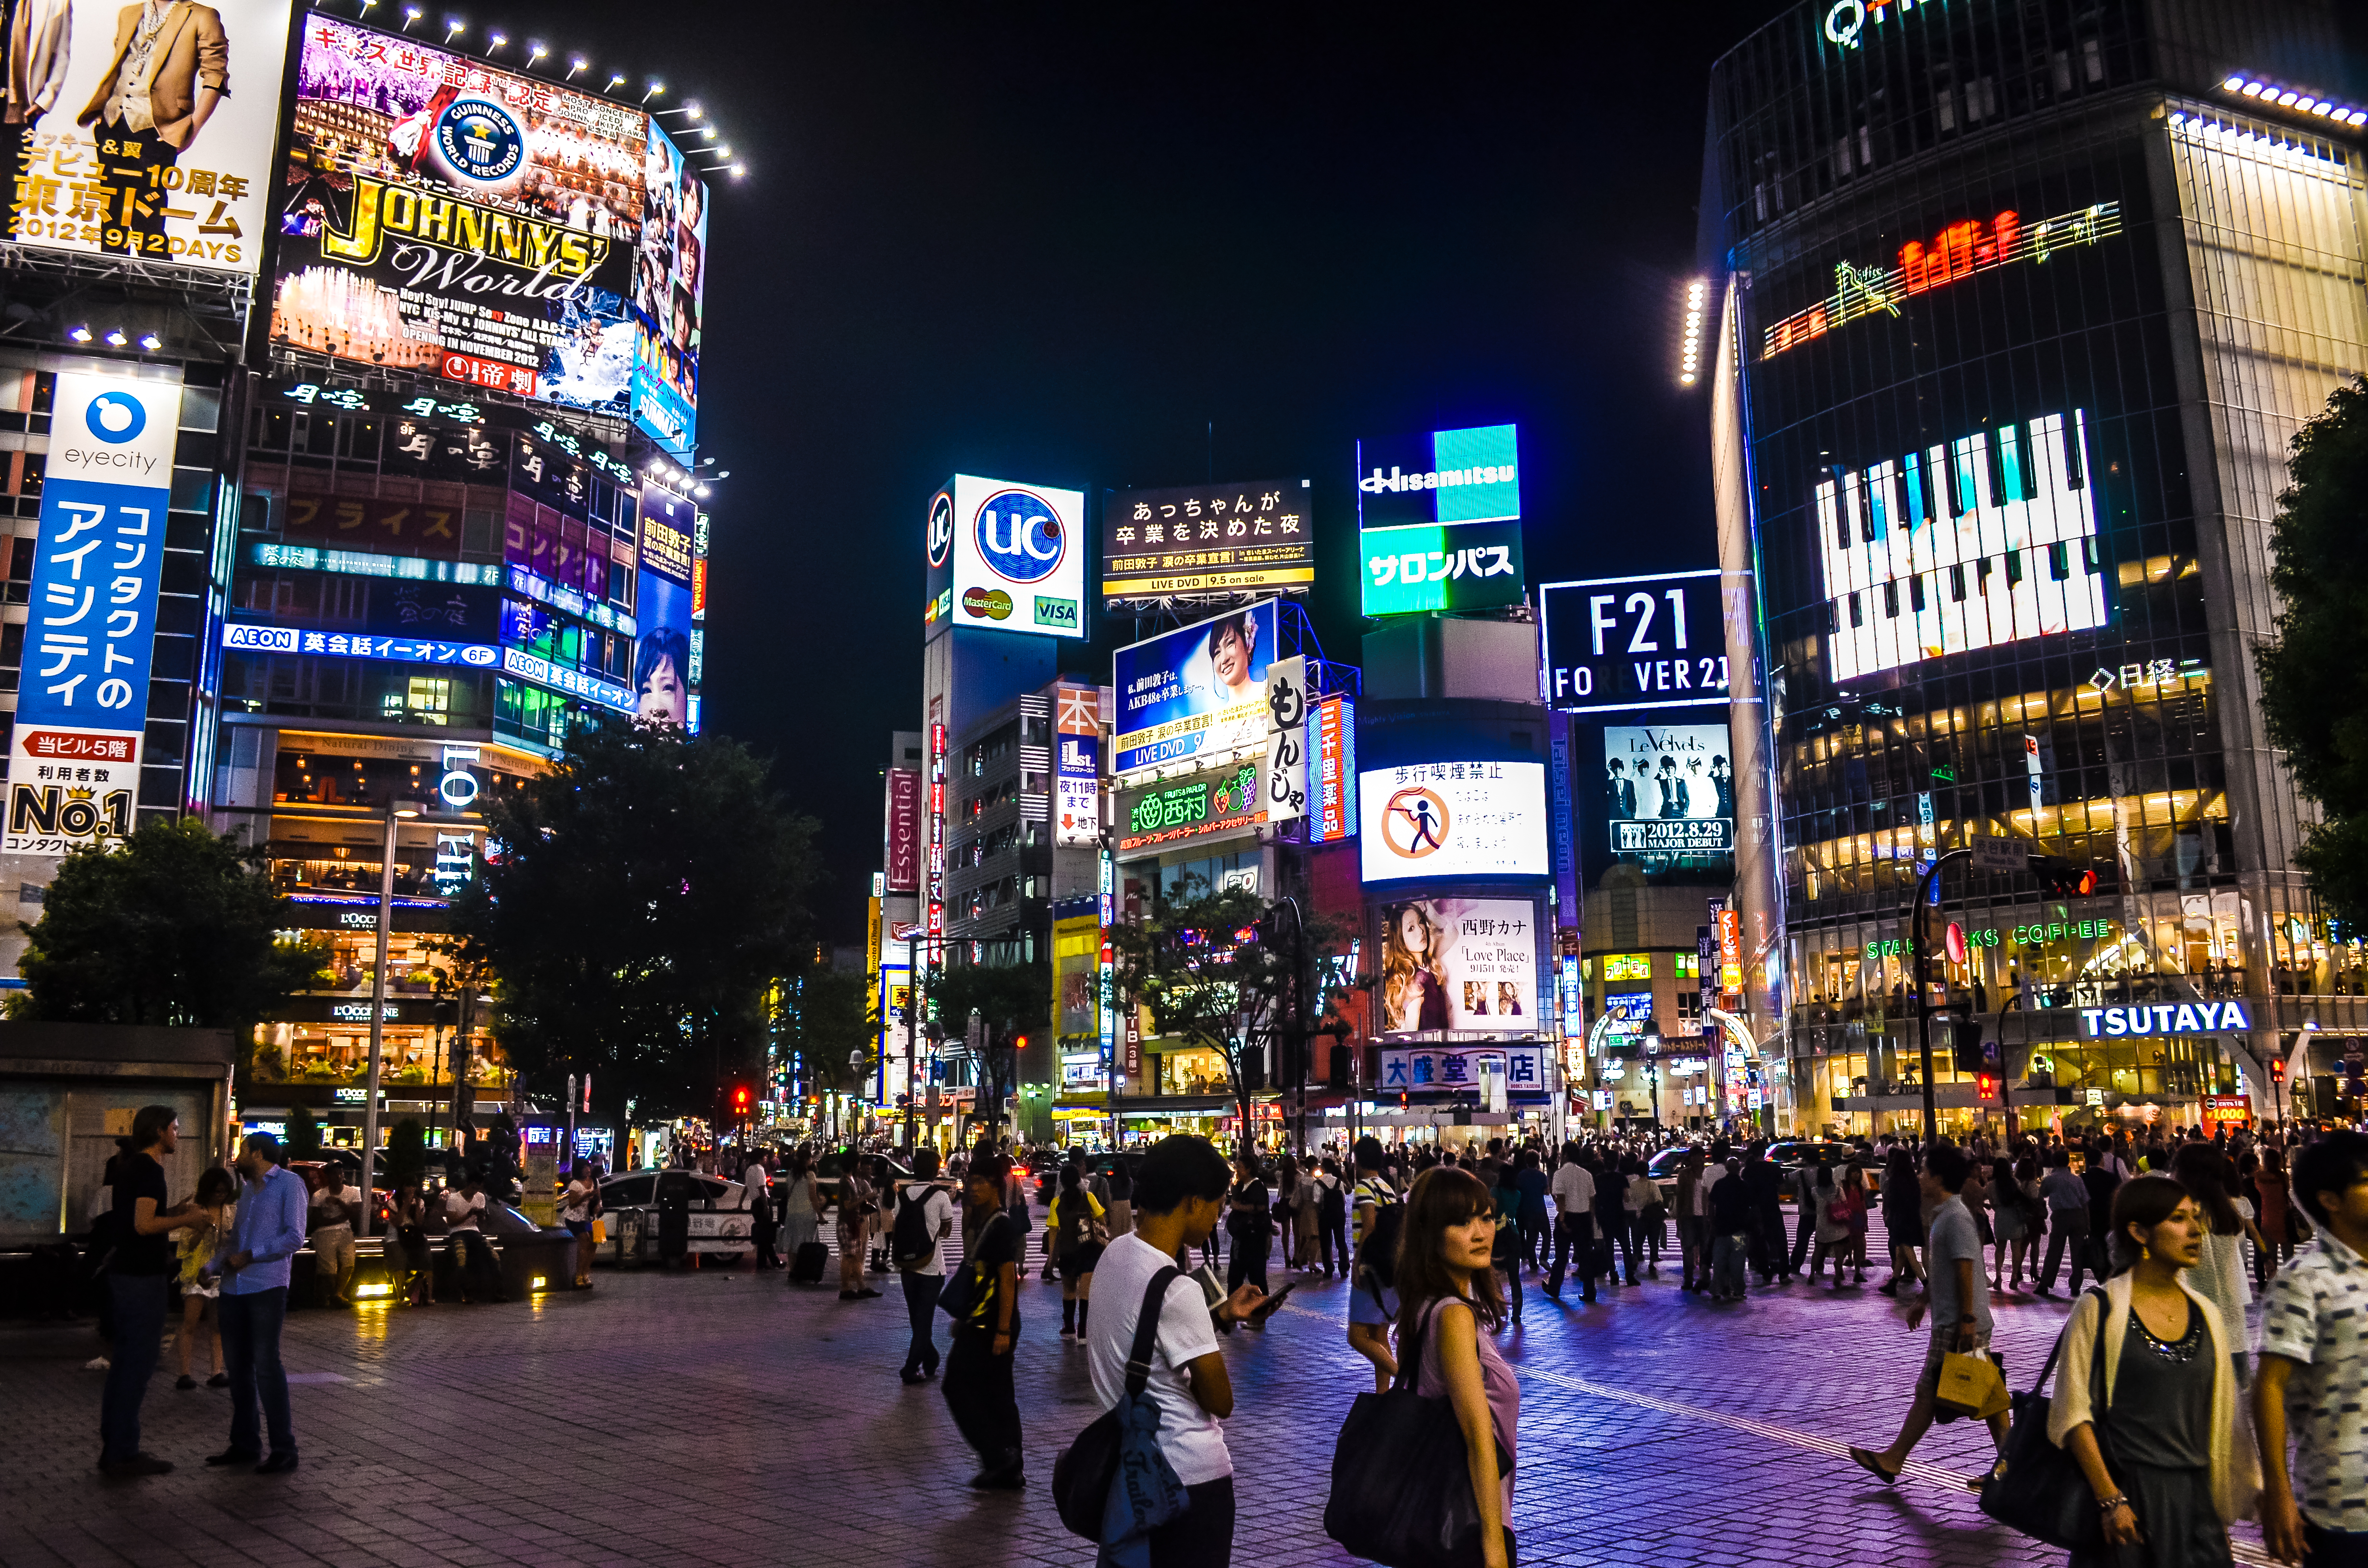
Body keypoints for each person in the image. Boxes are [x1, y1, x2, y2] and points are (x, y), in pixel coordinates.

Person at [2050, 1174, 2257, 1568]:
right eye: (2179, 1219)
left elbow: (2223, 1416)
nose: (2196, 1230)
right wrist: (2110, 1499)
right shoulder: (2100, 1309)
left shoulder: (2206, 1314)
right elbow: (2073, 1413)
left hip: (2197, 1502)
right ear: (2139, 1232)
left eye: (2195, 1218)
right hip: (2128, 1502)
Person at [1085, 1134, 1270, 1566]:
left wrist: (1221, 1318)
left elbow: (1146, 1333)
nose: (1218, 1215)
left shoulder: (1115, 1254)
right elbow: (1220, 1401)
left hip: (1131, 1474)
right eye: (1217, 1203)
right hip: (1189, 1480)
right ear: (1192, 1202)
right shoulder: (1178, 1289)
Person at [1848, 1145, 2007, 1484]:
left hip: (1959, 1322)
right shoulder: (1945, 1214)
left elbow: (1966, 1268)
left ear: (1937, 1177)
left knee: (1931, 1391)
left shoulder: (1955, 1217)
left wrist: (1966, 1320)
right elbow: (1945, 1269)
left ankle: (1893, 1459)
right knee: (1989, 1396)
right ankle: (2011, 1467)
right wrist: (1924, 1300)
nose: (1919, 1177)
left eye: (1924, 1171)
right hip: (1958, 1318)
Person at [2254, 1129, 2368, 1566]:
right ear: (2330, 1200)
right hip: (2344, 1507)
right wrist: (2278, 1492)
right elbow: (2270, 1387)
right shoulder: (2304, 1280)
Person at [1395, 1166, 1518, 1568]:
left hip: (1444, 1518)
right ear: (1431, 1233)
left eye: (1485, 1217)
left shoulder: (1431, 1305)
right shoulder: (1453, 1317)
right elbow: (1478, 1439)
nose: (1481, 1232)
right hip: (1467, 1528)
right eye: (1462, 1222)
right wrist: (1495, 1547)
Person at [74, 0, 231, 257]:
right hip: (114, 124)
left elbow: (215, 76)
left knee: (149, 217)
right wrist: (104, 113)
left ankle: (154, 290)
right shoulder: (130, 13)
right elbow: (124, 65)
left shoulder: (203, 16)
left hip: (160, 130)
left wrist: (194, 126)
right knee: (112, 214)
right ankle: (107, 286)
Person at [97, 1106, 198, 1476]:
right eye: (174, 1128)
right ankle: (122, 1452)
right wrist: (186, 1220)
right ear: (158, 1132)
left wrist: (174, 1209)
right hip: (140, 1279)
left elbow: (139, 1217)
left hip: (127, 1275)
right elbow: (143, 1225)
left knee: (126, 1363)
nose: (178, 1134)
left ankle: (117, 1446)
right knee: (137, 1365)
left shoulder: (133, 1168)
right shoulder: (149, 1170)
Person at [210, 1132, 309, 1475]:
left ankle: (284, 1448)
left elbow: (295, 1236)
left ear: (256, 1152)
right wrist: (210, 1267)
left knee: (267, 1365)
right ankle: (245, 1442)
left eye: (241, 1150)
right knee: (238, 1369)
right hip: (234, 1288)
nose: (236, 1156)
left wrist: (252, 1256)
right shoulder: (248, 1192)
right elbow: (235, 1240)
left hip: (267, 1286)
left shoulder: (290, 1184)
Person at [943, 1156, 1024, 1489]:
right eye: (969, 1181)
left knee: (960, 1386)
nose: (972, 1188)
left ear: (995, 1185)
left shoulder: (1001, 1225)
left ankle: (1000, 1457)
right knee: (996, 1392)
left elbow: (1008, 1279)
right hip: (981, 1322)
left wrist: (1003, 1329)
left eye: (980, 1182)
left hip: (993, 1326)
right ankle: (1007, 1464)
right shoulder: (989, 1220)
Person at [2172, 1143, 2263, 1383]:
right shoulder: (2225, 1210)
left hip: (2197, 1315)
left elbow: (2198, 1272)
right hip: (2230, 1306)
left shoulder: (2189, 1214)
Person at [892, 1149, 955, 1385]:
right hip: (932, 1266)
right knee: (924, 1320)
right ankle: (910, 1368)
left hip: (907, 1265)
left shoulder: (903, 1195)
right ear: (935, 1170)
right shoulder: (941, 1196)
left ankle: (930, 1358)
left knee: (917, 1319)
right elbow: (947, 1233)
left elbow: (895, 1225)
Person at [171, 1166, 235, 1390]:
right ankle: (184, 1373)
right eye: (216, 1191)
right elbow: (186, 1247)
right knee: (190, 1323)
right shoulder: (197, 1212)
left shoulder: (230, 1212)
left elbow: (233, 1242)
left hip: (221, 1274)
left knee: (217, 1325)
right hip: (196, 1274)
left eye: (224, 1192)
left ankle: (217, 1371)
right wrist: (201, 1229)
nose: (220, 1196)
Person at [1047, 1164, 1107, 1340]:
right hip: (1088, 1250)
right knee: (1086, 1293)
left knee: (1069, 1291)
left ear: (1062, 1183)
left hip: (1067, 1251)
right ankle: (1083, 1332)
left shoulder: (1056, 1203)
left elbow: (1053, 1231)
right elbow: (1102, 1219)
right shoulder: (1089, 1198)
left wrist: (1051, 1259)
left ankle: (1069, 1328)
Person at [2037, 1145, 2093, 1297]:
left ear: (2054, 1163)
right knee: (2077, 1252)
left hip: (2060, 1217)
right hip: (2078, 1216)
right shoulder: (2077, 1180)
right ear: (2068, 1162)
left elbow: (2041, 1194)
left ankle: (2045, 1283)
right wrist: (2088, 1223)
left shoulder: (2050, 1179)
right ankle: (2076, 1285)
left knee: (2054, 1251)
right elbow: (2085, 1203)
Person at [1545, 1139, 1595, 1302]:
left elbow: (1561, 1198)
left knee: (1562, 1256)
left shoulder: (1560, 1174)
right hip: (1585, 1217)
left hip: (1568, 1216)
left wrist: (1562, 1219)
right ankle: (1590, 1291)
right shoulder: (1586, 1174)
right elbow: (1592, 1199)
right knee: (1586, 1256)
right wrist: (1592, 1219)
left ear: (1566, 1155)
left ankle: (1554, 1288)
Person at [443, 1173, 502, 1303]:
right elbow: (451, 1222)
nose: (475, 1192)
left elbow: (481, 1223)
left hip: (474, 1231)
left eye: (479, 1189)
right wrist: (469, 1214)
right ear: (468, 1185)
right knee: (461, 1259)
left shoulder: (480, 1197)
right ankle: (466, 1293)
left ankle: (496, 1292)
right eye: (474, 1188)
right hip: (457, 1232)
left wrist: (481, 1217)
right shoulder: (454, 1198)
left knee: (494, 1256)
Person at [307, 1164, 358, 1309]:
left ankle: (337, 1295)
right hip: (324, 1232)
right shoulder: (319, 1195)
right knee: (329, 1268)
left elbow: (355, 1214)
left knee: (349, 1263)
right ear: (328, 1177)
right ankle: (329, 1297)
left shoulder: (352, 1192)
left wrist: (339, 1202)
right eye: (335, 1174)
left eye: (341, 1174)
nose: (339, 1177)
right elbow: (317, 1220)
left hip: (345, 1231)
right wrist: (340, 1218)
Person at [1225, 1152, 1272, 1304]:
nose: (1236, 1170)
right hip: (1241, 1238)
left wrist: (1239, 1207)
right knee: (1235, 1276)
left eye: (1239, 1167)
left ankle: (1261, 1311)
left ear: (1249, 1169)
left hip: (1253, 1238)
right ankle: (1232, 1310)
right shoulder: (1240, 1185)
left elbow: (1261, 1208)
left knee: (1256, 1277)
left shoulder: (1257, 1186)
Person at [1879, 1145, 1926, 1297]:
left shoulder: (1895, 1180)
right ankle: (1893, 1284)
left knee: (1908, 1253)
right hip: (1912, 1219)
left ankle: (1927, 1284)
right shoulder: (1913, 1179)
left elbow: (1892, 1200)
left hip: (1900, 1220)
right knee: (1901, 1254)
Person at [1707, 1153, 1753, 1301]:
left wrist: (1712, 1222)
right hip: (1739, 1230)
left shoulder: (1719, 1184)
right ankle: (1738, 1290)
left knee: (1719, 1261)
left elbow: (1711, 1205)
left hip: (1722, 1229)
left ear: (1726, 1168)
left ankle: (1717, 1289)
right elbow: (1751, 1208)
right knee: (1738, 1261)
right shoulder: (1744, 1185)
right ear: (1739, 1168)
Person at [837, 1155, 880, 1300]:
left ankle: (861, 1287)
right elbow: (848, 1205)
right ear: (854, 1165)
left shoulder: (850, 1180)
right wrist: (865, 1197)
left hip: (853, 1221)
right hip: (847, 1223)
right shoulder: (845, 1182)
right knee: (849, 1256)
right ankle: (845, 1289)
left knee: (856, 1256)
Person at [2252, 1146, 2295, 1289]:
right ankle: (2289, 1285)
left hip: (2267, 1219)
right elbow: (2287, 1190)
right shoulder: (2284, 1177)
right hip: (2284, 1219)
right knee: (2289, 1257)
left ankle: (2273, 1286)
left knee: (2271, 1259)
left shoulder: (2259, 1177)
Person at [559, 1161, 600, 1290]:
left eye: (588, 1167)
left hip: (594, 1218)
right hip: (576, 1218)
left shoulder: (595, 1180)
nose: (588, 1170)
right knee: (585, 1242)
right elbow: (572, 1205)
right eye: (584, 1168)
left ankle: (586, 1274)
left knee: (596, 1241)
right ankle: (578, 1276)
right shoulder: (575, 1184)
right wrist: (585, 1196)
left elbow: (599, 1197)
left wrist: (598, 1206)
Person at [390, 1181, 432, 1308]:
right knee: (400, 1260)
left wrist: (418, 1205)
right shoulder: (393, 1202)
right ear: (402, 1188)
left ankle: (429, 1296)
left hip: (415, 1236)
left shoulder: (420, 1202)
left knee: (427, 1261)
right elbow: (397, 1223)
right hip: (397, 1236)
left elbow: (419, 1223)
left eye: (413, 1186)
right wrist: (406, 1204)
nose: (411, 1189)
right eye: (408, 1185)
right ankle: (401, 1297)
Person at [780, 1150, 822, 1269]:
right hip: (807, 1214)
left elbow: (789, 1194)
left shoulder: (791, 1175)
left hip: (792, 1212)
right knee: (806, 1242)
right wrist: (820, 1216)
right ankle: (804, 1268)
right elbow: (813, 1197)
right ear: (808, 1160)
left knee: (793, 1242)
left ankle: (792, 1269)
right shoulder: (810, 1175)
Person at [743, 1150, 777, 1271]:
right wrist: (766, 1207)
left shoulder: (749, 1169)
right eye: (765, 1157)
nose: (766, 1159)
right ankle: (771, 1262)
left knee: (763, 1234)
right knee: (766, 1234)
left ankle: (766, 1262)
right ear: (760, 1158)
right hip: (762, 1202)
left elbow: (746, 1188)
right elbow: (762, 1189)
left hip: (754, 1203)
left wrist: (740, 1203)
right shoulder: (759, 1169)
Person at [1317, 1157, 1349, 1276]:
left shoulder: (1318, 1182)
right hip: (1339, 1215)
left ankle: (1329, 1270)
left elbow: (1317, 1201)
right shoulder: (1339, 1182)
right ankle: (1344, 1269)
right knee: (1341, 1241)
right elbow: (1344, 1199)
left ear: (1323, 1168)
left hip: (1325, 1215)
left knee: (1326, 1242)